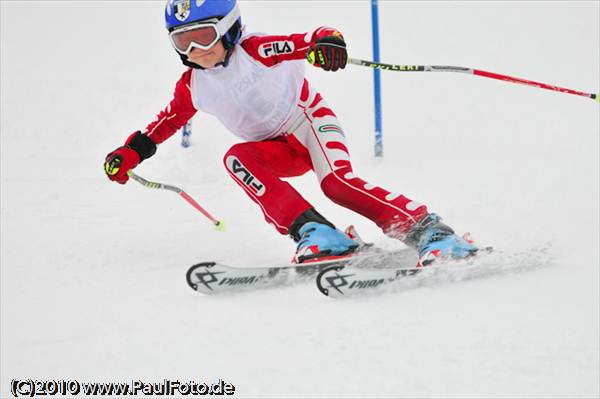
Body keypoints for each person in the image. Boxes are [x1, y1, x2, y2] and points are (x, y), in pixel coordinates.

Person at [104, 0, 478, 266]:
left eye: (204, 36)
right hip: (272, 148)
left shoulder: (256, 49)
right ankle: (316, 232)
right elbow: (166, 121)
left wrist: (325, 43)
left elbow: (309, 39)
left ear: (229, 28)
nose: (197, 50)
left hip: (308, 122)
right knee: (237, 158)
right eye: (183, 42)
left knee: (336, 184)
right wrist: (131, 152)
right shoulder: (193, 85)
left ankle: (430, 231)